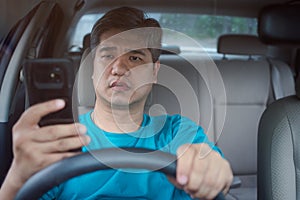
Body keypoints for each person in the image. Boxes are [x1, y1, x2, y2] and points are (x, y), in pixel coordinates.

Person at [0, 7, 233, 200]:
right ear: (92, 69)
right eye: (108, 55)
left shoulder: (177, 131)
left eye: (135, 58)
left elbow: (211, 166)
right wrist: (16, 177)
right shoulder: (61, 139)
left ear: (154, 72)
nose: (119, 68)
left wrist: (212, 169)